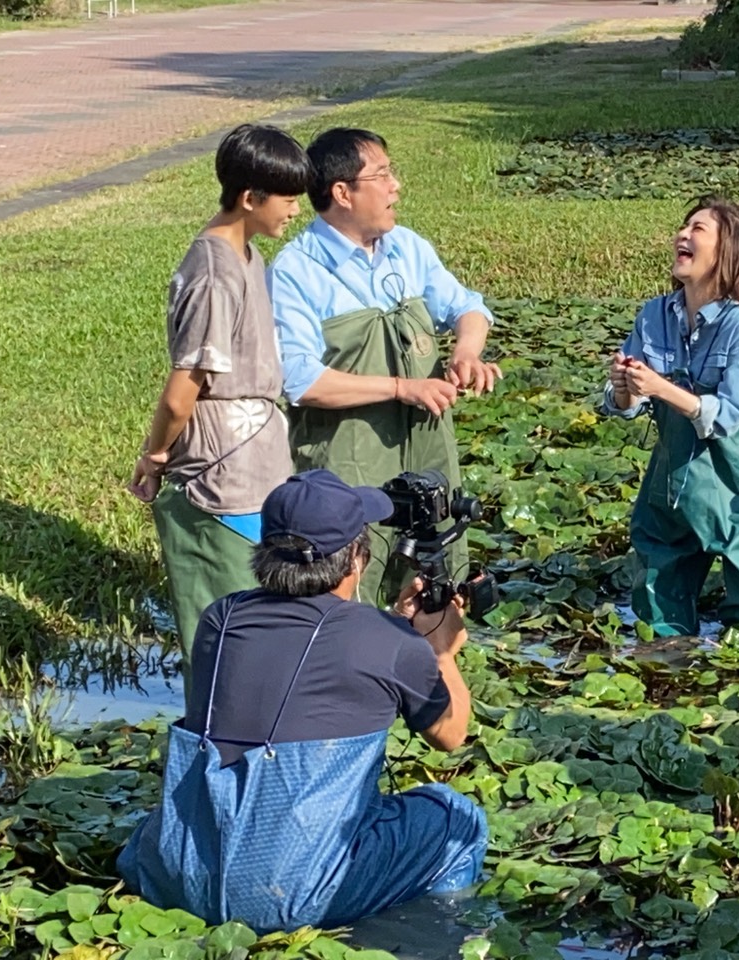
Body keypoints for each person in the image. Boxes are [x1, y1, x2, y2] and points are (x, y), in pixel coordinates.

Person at [118, 470, 488, 932]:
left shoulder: (221, 617)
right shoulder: (391, 642)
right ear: (356, 558)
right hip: (294, 895)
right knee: (458, 818)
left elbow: (322, 659)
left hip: (179, 873)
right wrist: (439, 652)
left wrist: (393, 627)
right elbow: (451, 735)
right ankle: (424, 937)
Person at [269, 127, 501, 607]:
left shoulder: (408, 248)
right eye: (383, 174)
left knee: (434, 590)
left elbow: (469, 308)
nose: (396, 186)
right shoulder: (295, 271)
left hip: (427, 455)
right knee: (351, 592)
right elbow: (301, 380)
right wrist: (402, 387)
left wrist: (466, 352)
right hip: (349, 464)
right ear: (342, 193)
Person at [128, 123, 312, 659]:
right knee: (226, 616)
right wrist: (156, 455)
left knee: (263, 609)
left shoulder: (249, 255)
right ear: (250, 197)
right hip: (222, 467)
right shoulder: (213, 273)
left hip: (258, 458)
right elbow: (182, 390)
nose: (294, 211)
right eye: (287, 199)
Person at [600, 196, 739, 642]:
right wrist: (624, 387)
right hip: (673, 481)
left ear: (727, 253)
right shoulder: (654, 314)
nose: (682, 235)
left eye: (698, 229)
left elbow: (727, 417)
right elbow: (628, 407)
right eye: (683, 226)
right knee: (659, 618)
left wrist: (658, 386)